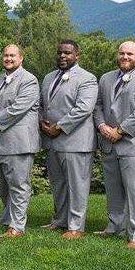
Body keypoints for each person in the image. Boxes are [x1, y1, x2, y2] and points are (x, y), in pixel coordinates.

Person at [93, 41, 135, 249]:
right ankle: (115, 226)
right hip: (108, 142)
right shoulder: (106, 78)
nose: (125, 56)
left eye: (130, 54)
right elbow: (98, 106)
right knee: (113, 189)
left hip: (133, 144)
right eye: (122, 53)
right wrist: (102, 125)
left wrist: (119, 131)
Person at [39, 40, 98, 239]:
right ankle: (60, 220)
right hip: (52, 141)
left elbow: (84, 108)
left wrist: (59, 127)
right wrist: (42, 123)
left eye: (67, 53)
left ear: (77, 55)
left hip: (76, 141)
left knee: (77, 185)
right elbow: (41, 104)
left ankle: (76, 226)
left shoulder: (87, 78)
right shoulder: (48, 78)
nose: (62, 56)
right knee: (59, 184)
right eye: (59, 53)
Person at [0, 44, 40, 238]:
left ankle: (17, 226)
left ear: (21, 58)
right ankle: (7, 219)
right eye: (6, 55)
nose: (8, 58)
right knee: (3, 184)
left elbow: (19, 108)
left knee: (18, 185)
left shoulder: (29, 80)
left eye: (12, 55)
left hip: (18, 142)